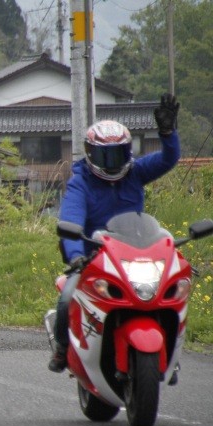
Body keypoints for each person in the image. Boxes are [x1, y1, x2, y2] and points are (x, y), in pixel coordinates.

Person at [48, 94, 181, 374]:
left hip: (137, 254)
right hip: (95, 259)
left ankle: (172, 350)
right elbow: (70, 221)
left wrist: (168, 133)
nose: (111, 162)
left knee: (172, 291)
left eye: (117, 154)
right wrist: (74, 257)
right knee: (66, 297)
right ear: (90, 153)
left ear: (128, 153)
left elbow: (169, 160)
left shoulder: (135, 172)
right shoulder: (80, 184)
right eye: (103, 155)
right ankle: (62, 348)